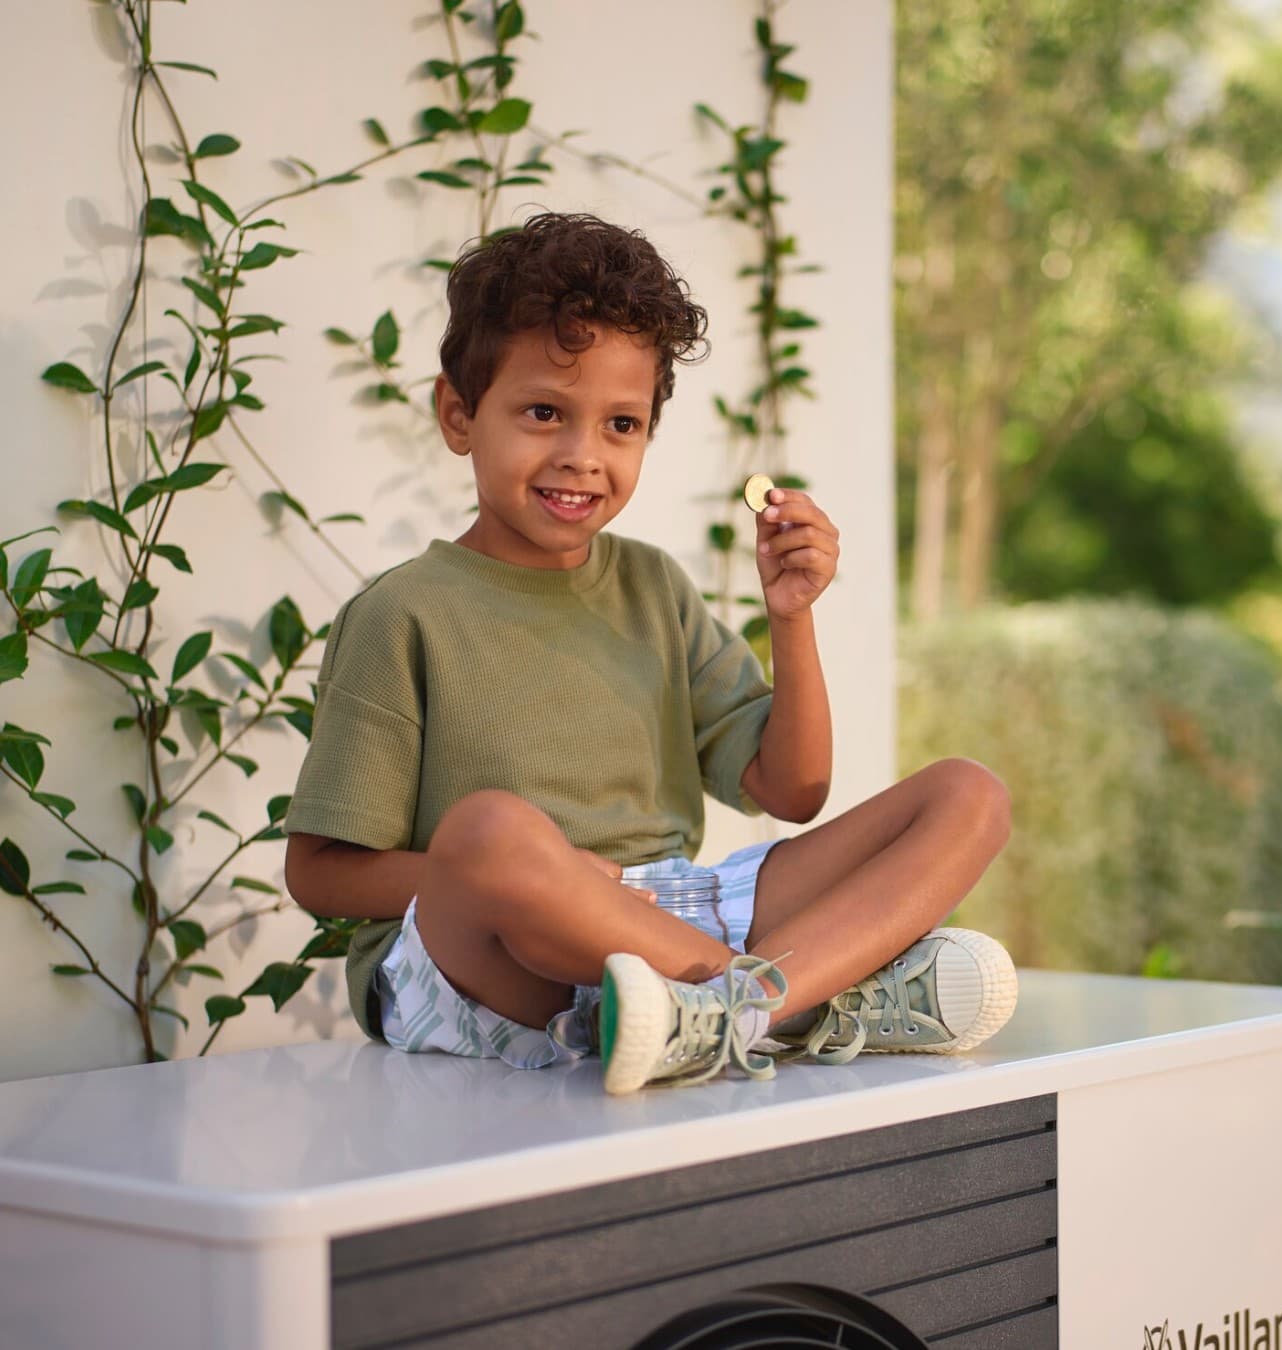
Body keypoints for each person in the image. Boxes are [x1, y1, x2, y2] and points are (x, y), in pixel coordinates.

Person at [283, 211, 1016, 1094]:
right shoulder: (401, 614)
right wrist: (553, 873)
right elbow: (320, 873)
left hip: (672, 913)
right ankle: (793, 1002)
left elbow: (792, 792)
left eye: (620, 426)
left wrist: (792, 617)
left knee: (967, 794)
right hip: (496, 955)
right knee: (492, 830)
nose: (580, 457)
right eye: (545, 412)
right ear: (458, 413)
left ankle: (728, 1008)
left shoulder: (654, 588)